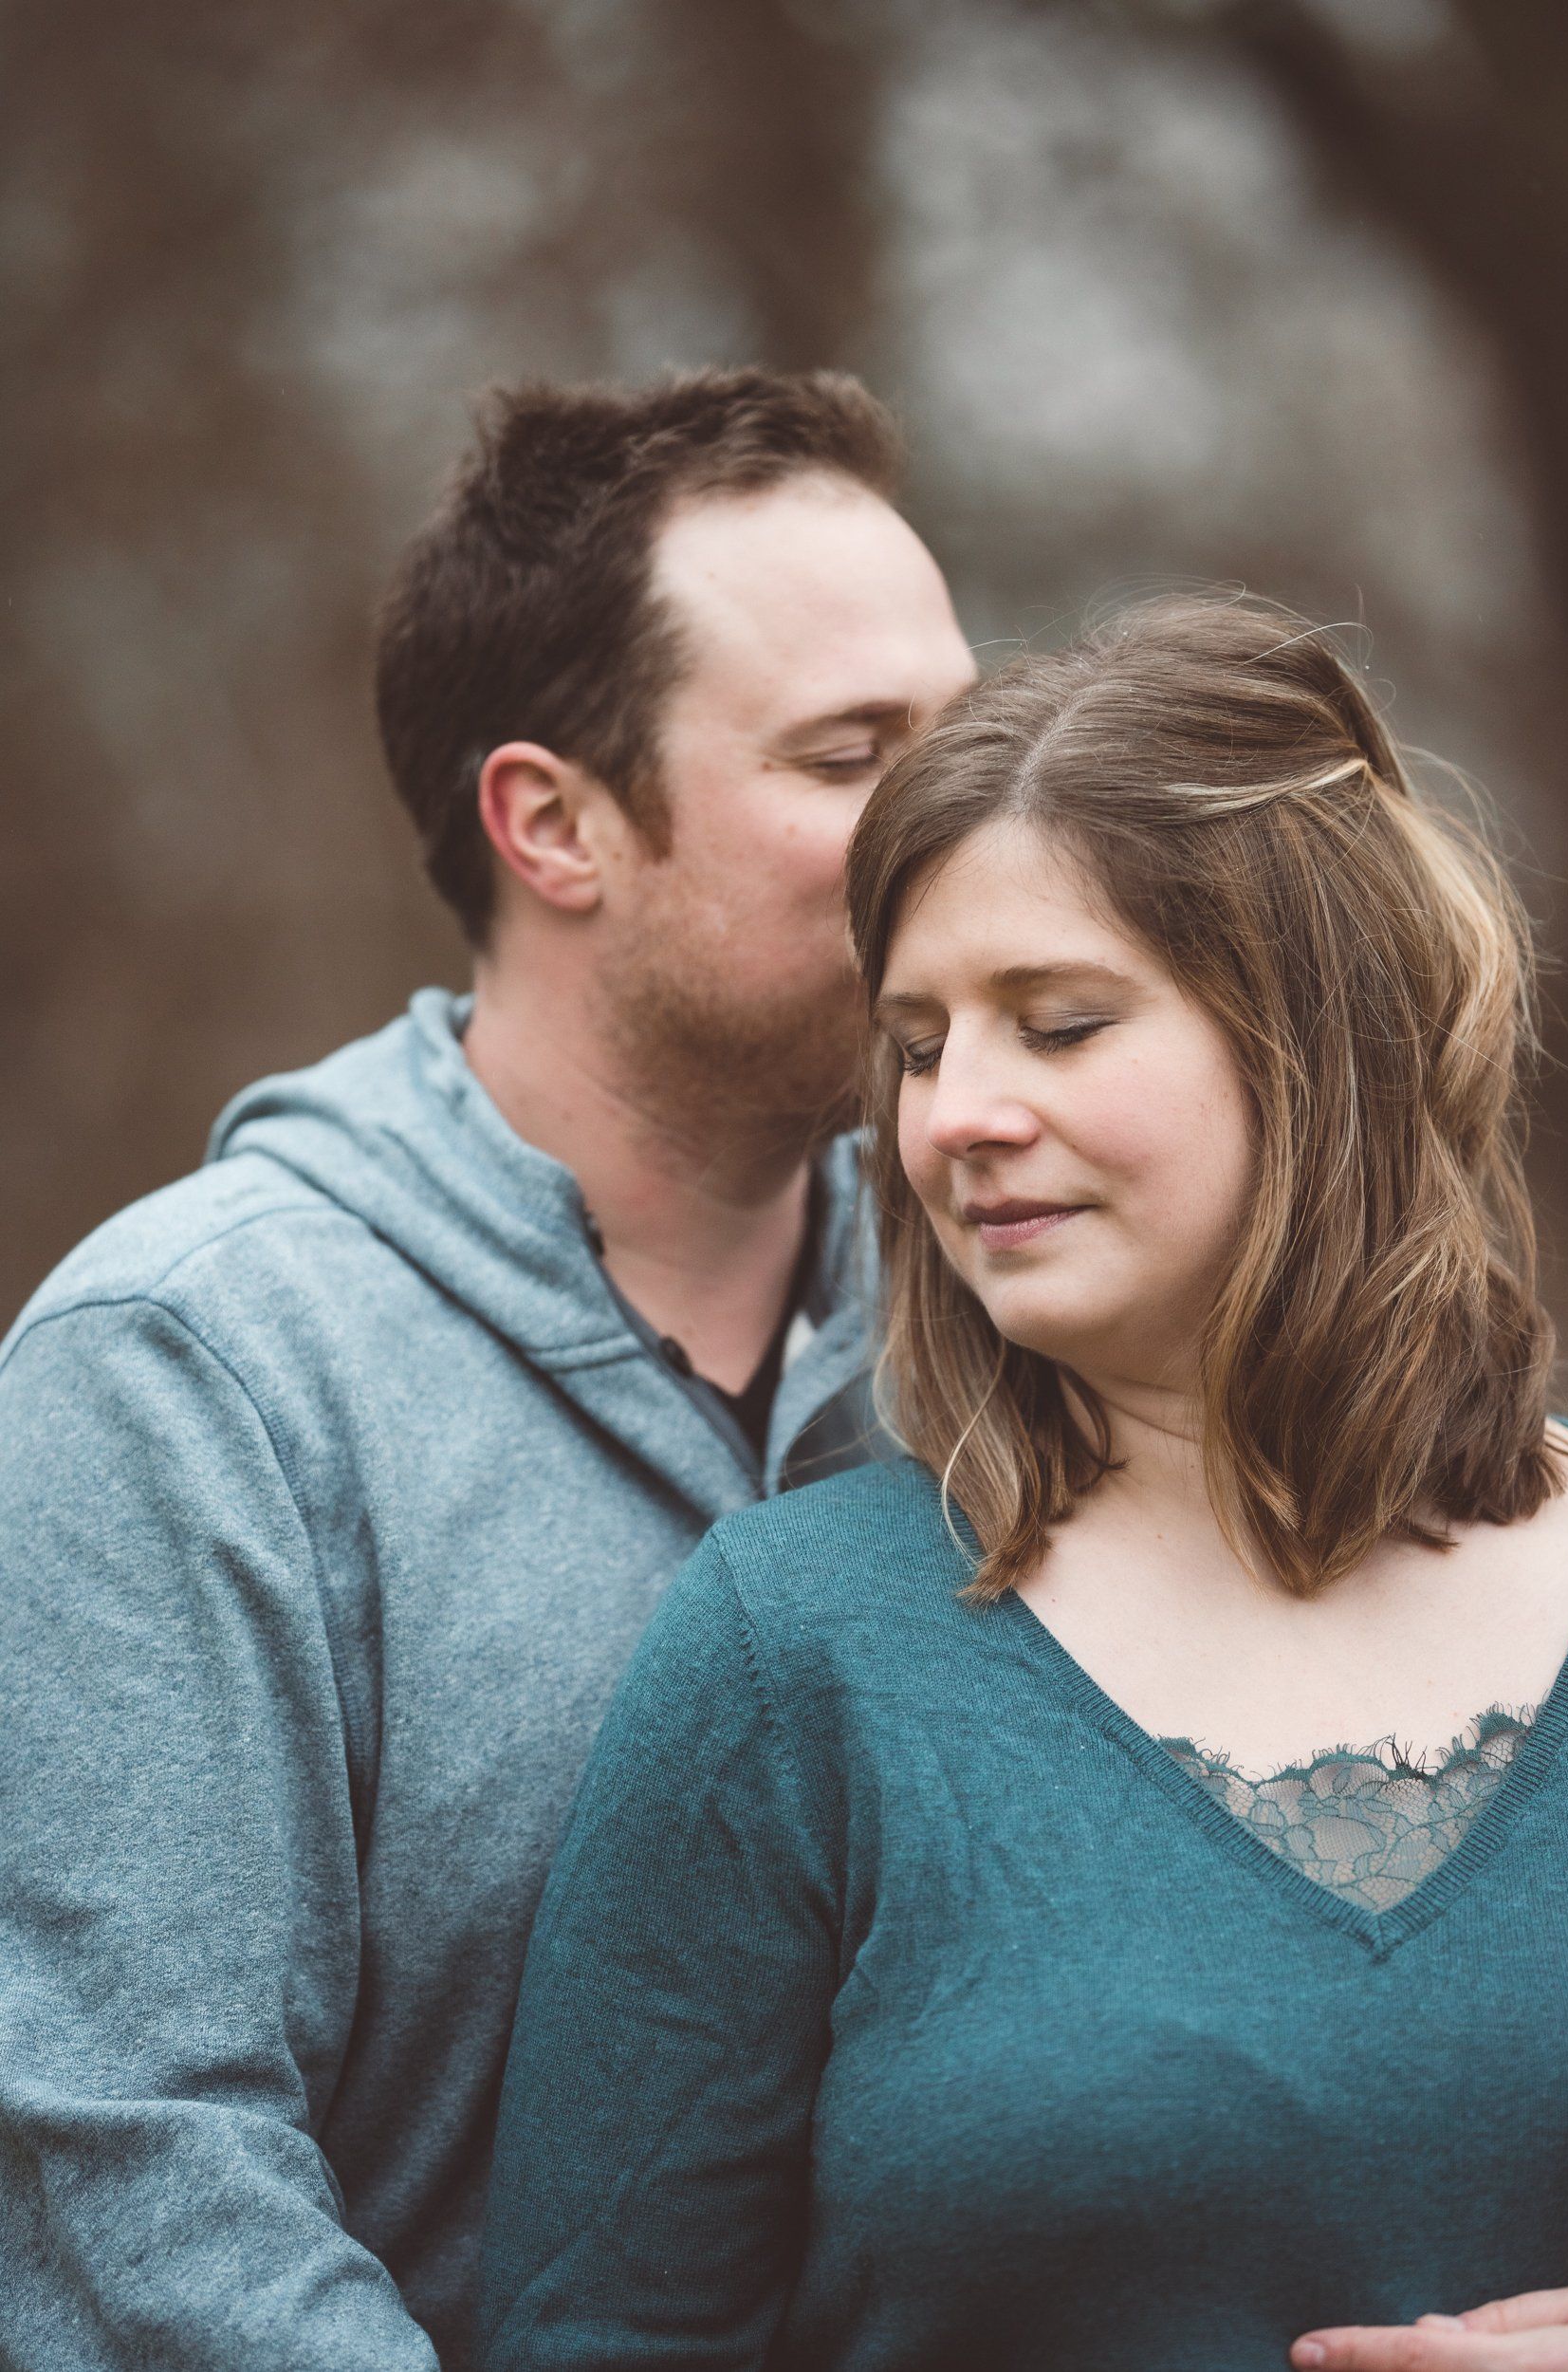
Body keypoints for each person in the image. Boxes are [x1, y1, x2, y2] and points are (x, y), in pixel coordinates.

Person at [481, 594, 1568, 2372]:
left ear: (1328, 1047)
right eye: (917, 1045)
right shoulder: (798, 1659)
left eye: (1056, 1025)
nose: (952, 1115)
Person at [0, 367, 975, 2372]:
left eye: (972, 738)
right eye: (857, 751)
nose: (968, 825)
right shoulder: (192, 1372)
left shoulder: (1028, 1313)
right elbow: (140, 2173)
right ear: (552, 821)